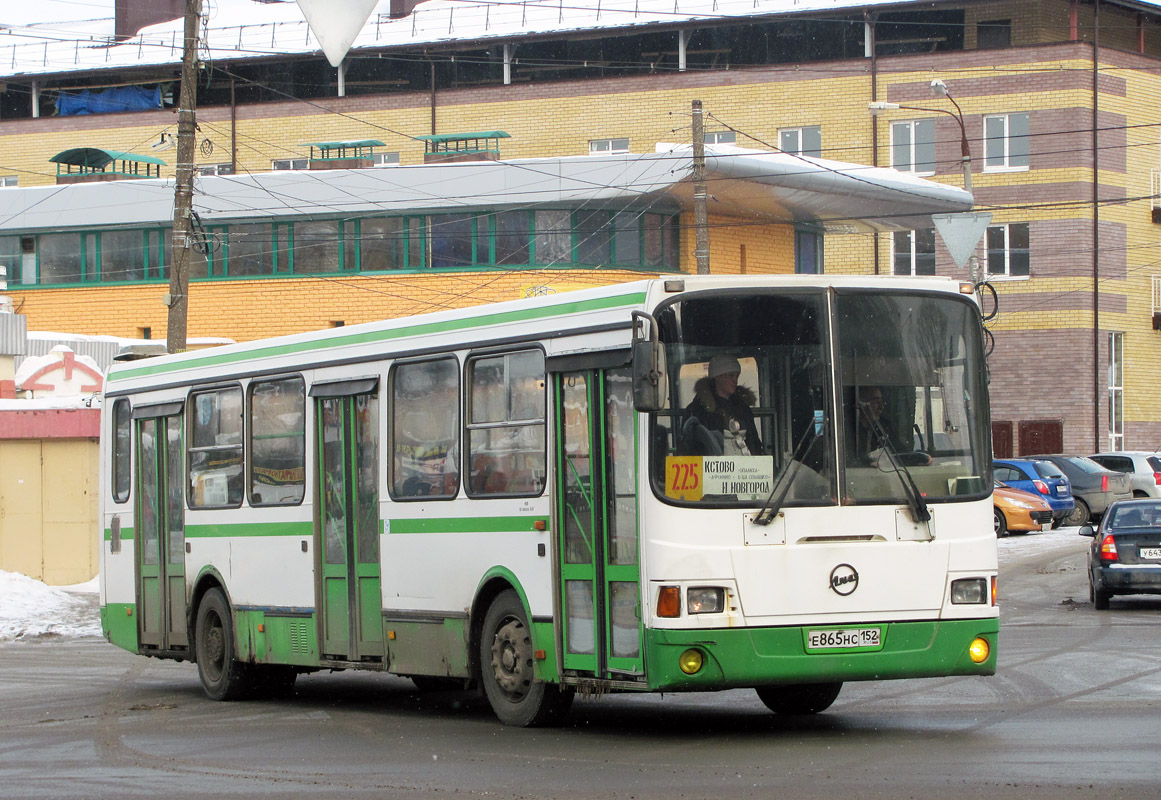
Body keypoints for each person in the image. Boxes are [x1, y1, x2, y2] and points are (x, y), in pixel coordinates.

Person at [683, 354, 763, 456]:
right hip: (711, 470)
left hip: (746, 469)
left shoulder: (743, 408)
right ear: (718, 377)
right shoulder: (697, 410)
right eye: (731, 375)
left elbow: (753, 443)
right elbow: (692, 449)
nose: (735, 381)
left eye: (737, 376)